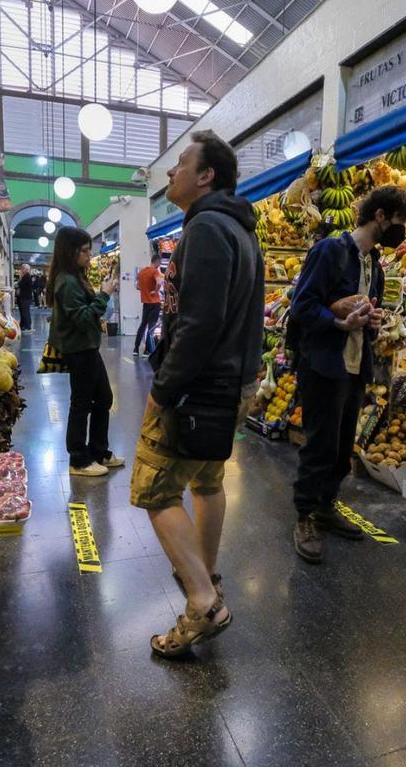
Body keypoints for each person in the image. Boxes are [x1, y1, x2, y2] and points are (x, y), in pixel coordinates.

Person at [129, 130, 263, 658]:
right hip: (230, 386)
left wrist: (163, 389)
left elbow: (199, 323)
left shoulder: (206, 229)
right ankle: (207, 576)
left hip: (197, 389)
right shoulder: (241, 231)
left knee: (153, 489)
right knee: (207, 482)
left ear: (206, 176)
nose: (171, 172)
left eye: (181, 162)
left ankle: (203, 602)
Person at [288, 186, 406, 563]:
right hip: (323, 364)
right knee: (319, 445)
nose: (401, 231)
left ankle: (326, 505)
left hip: (354, 366)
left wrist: (372, 322)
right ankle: (304, 516)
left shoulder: (372, 263)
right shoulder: (330, 251)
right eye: (399, 222)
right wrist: (339, 322)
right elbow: (303, 306)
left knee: (343, 447)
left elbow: (364, 316)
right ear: (380, 216)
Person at [45, 227, 123, 478]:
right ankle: (78, 459)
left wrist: (99, 296)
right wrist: (104, 295)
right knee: (82, 402)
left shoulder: (75, 276)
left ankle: (98, 451)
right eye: (85, 251)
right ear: (71, 252)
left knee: (103, 398)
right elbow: (82, 318)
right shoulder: (66, 281)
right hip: (79, 349)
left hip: (87, 346)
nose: (90, 256)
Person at [134, 254, 163, 357]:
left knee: (142, 326)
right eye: (159, 263)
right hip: (155, 303)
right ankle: (147, 351)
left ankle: (136, 349)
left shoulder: (142, 272)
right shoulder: (155, 271)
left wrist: (145, 291)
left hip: (145, 303)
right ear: (157, 261)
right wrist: (155, 291)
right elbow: (159, 282)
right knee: (151, 328)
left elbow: (137, 286)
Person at [16, 264, 34, 331]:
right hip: (23, 297)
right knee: (23, 312)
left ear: (26, 270)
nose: (21, 270)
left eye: (22, 269)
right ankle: (23, 325)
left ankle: (27, 326)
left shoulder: (27, 277)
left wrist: (20, 277)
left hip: (25, 297)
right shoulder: (25, 276)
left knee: (25, 312)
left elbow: (19, 284)